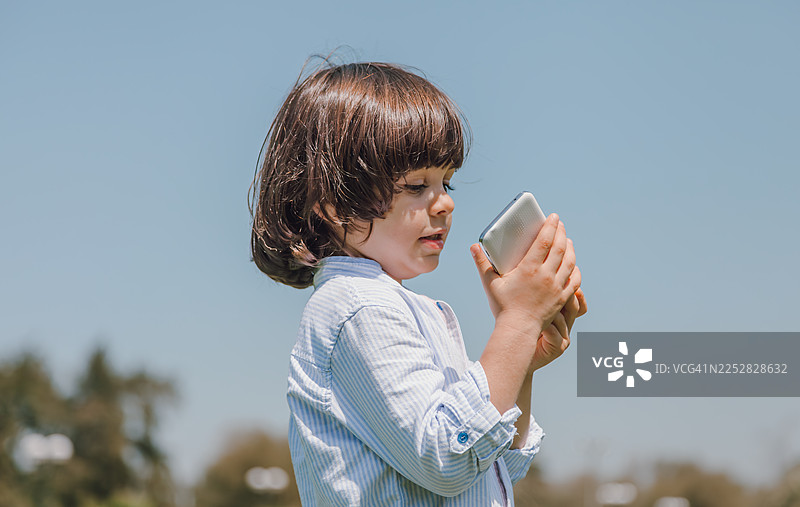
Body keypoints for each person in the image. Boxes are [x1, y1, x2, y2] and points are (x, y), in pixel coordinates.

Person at [249, 60, 587, 506]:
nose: (444, 202)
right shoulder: (359, 307)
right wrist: (519, 321)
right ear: (332, 204)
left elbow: (489, 468)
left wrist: (521, 357)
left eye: (445, 181)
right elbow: (448, 457)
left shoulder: (391, 306)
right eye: (415, 185)